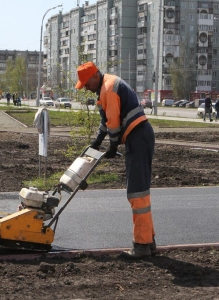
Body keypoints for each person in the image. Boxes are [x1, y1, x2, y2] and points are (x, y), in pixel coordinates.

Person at [75, 61, 156, 259]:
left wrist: (111, 147)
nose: (86, 87)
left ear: (95, 76)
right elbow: (106, 121)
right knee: (139, 192)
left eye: (86, 83)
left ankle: (142, 246)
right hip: (139, 137)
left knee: (137, 194)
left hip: (138, 137)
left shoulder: (108, 89)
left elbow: (113, 124)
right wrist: (96, 142)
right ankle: (149, 241)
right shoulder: (106, 86)